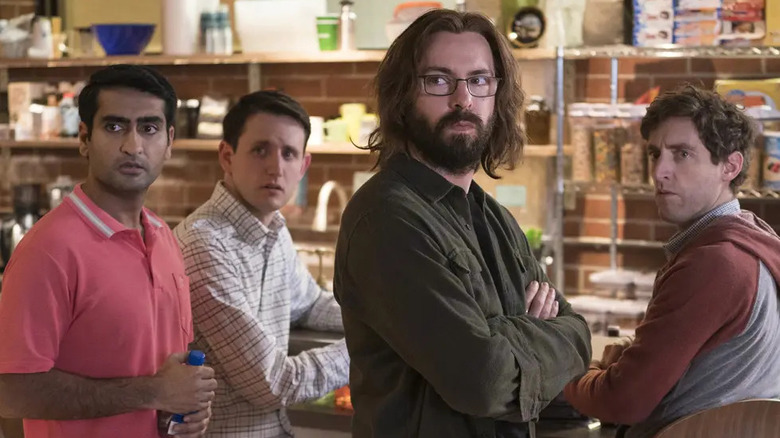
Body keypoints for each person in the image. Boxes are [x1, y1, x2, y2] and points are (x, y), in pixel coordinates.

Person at [333, 9, 592, 437]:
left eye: (478, 80)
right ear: (402, 96)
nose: (463, 100)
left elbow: (578, 336)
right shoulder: (388, 219)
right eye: (438, 80)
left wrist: (504, 337)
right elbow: (483, 382)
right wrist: (530, 328)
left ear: (496, 94)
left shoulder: (495, 219)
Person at [0, 64, 217, 438]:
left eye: (148, 128)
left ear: (169, 141)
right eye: (114, 126)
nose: (132, 145)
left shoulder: (164, 237)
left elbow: (162, 370)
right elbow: (12, 391)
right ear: (84, 138)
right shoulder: (49, 249)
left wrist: (183, 406)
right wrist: (153, 393)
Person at [564, 85, 780, 438]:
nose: (660, 171)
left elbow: (623, 401)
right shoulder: (751, 238)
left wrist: (564, 371)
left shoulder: (715, 263)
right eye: (654, 154)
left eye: (682, 154)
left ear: (730, 165)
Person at [174, 90, 349, 437]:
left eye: (288, 154)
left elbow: (310, 304)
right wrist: (373, 343)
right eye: (260, 150)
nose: (275, 167)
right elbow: (274, 383)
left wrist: (387, 316)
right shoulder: (204, 245)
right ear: (227, 155)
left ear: (303, 166)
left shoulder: (273, 229)